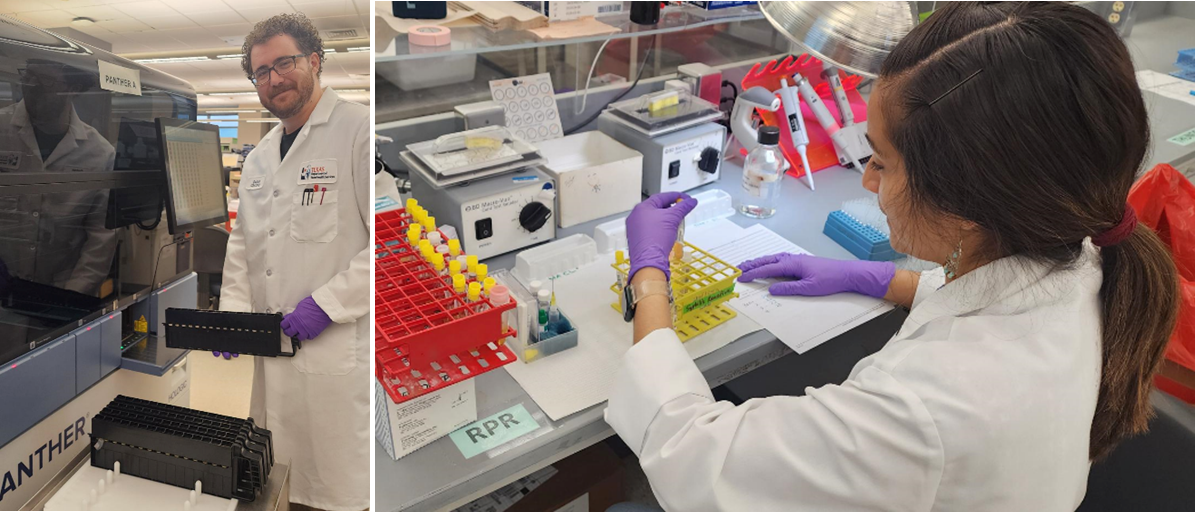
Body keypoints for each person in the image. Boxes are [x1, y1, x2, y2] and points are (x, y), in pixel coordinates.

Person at [605, 2, 1180, 511]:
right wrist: (878, 277)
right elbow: (997, 303)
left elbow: (690, 452)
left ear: (965, 198)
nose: (867, 181)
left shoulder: (926, 409)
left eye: (880, 160)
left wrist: (649, 275)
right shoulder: (1086, 257)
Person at [218, 13, 370, 511]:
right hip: (272, 352)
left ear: (315, 61)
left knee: (334, 490)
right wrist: (233, 315)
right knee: (278, 484)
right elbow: (243, 245)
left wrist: (327, 304)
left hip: (333, 351)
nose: (274, 79)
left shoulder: (358, 132)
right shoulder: (260, 157)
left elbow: (390, 245)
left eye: (284, 63)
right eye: (261, 71)